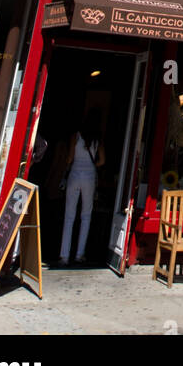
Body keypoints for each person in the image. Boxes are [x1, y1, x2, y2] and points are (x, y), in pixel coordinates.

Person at [58, 113, 105, 267]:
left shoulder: (76, 136)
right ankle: (80, 254)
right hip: (89, 176)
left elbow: (70, 158)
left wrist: (67, 167)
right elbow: (102, 160)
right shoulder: (98, 139)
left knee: (69, 215)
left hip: (74, 174)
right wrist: (92, 166)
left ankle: (64, 255)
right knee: (86, 215)